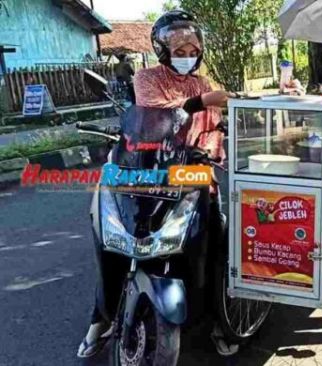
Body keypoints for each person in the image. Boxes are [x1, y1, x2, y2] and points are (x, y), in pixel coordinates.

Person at [77, 10, 238, 359]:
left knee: (218, 235)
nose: (187, 56)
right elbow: (155, 111)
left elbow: (214, 130)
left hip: (192, 175)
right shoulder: (147, 79)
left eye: (192, 50)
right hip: (146, 174)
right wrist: (201, 103)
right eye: (179, 51)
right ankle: (100, 318)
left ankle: (220, 319)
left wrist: (211, 148)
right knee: (114, 239)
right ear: (163, 51)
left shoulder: (203, 83)